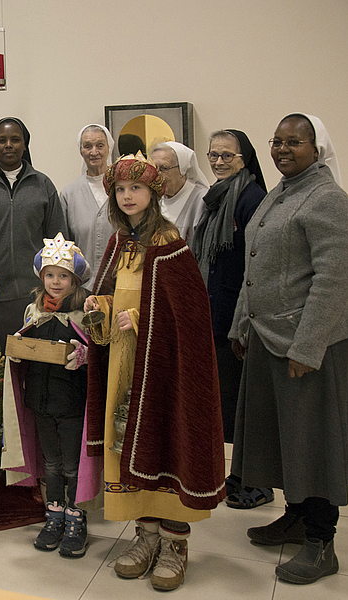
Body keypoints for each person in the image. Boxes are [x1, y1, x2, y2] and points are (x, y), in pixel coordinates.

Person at [83, 153, 225, 591]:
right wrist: (99, 308)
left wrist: (143, 320)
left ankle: (174, 542)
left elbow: (189, 315)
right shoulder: (117, 243)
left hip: (160, 369)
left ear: (154, 193)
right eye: (120, 190)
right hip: (124, 367)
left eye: (136, 189)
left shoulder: (170, 243)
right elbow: (112, 294)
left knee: (163, 444)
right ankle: (145, 536)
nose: (127, 196)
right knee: (129, 445)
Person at [229, 114, 348, 585]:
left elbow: (335, 280)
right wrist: (242, 326)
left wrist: (309, 345)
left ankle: (323, 541)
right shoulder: (281, 192)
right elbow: (254, 267)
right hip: (267, 340)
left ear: (316, 147)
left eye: (293, 142)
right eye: (276, 141)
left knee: (313, 443)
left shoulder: (329, 200)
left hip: (305, 348)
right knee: (284, 438)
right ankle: (297, 517)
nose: (282, 149)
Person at [190, 129, 267, 509]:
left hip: (238, 318)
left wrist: (240, 324)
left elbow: (255, 265)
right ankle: (239, 476)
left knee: (242, 404)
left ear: (244, 158)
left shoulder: (251, 197)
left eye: (227, 155)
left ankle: (257, 483)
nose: (219, 161)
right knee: (228, 402)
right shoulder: (216, 197)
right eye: (213, 155)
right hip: (215, 313)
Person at [7, 234, 91, 557]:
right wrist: (17, 351)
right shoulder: (34, 311)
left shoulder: (82, 313)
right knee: (51, 463)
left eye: (64, 276)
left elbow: (94, 355)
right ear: (42, 277)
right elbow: (28, 344)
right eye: (51, 275)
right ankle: (54, 516)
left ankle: (76, 518)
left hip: (70, 404)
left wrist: (84, 356)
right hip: (40, 402)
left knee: (71, 466)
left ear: (75, 280)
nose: (56, 282)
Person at [0, 117, 67, 348]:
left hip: (36, 297)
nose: (8, 145)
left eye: (15, 139)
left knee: (32, 369)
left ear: (25, 145)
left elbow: (58, 243)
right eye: (2, 140)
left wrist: (56, 289)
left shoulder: (43, 186)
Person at [60, 124, 115, 290]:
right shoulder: (69, 194)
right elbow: (65, 247)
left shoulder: (123, 190)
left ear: (109, 148)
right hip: (82, 289)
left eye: (100, 145)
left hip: (119, 287)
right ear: (81, 150)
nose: (94, 152)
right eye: (87, 146)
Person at [150, 141, 209, 246]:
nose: (157, 175)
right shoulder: (153, 199)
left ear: (182, 170)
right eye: (155, 168)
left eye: (164, 168)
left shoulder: (201, 200)